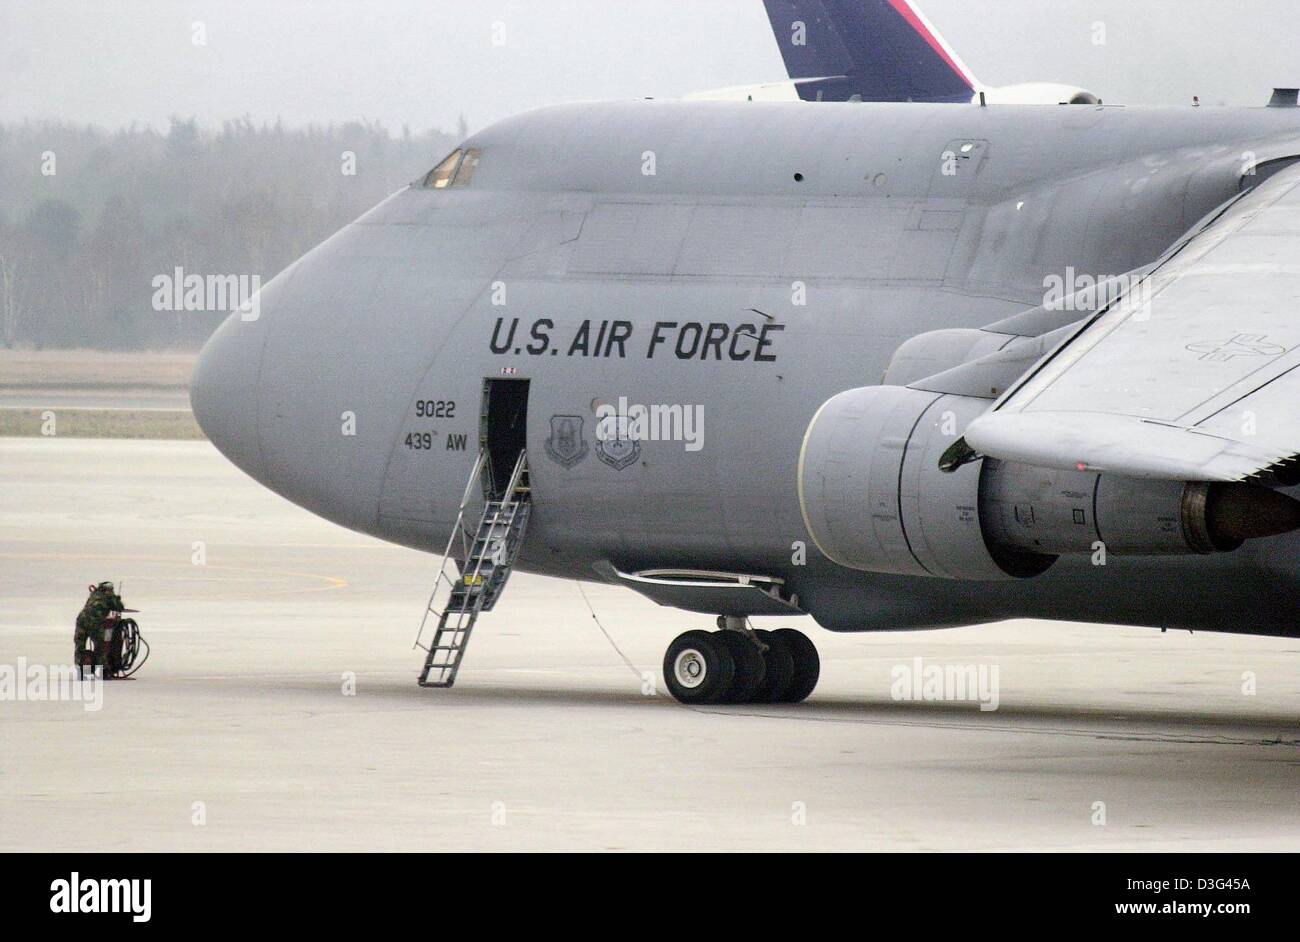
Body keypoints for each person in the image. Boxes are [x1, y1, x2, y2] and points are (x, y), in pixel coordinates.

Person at [74, 581, 125, 677]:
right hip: (94, 622)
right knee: (101, 646)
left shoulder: (94, 594)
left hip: (81, 620)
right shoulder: (109, 597)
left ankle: (80, 670)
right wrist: (117, 599)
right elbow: (119, 607)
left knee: (79, 645)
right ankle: (104, 671)